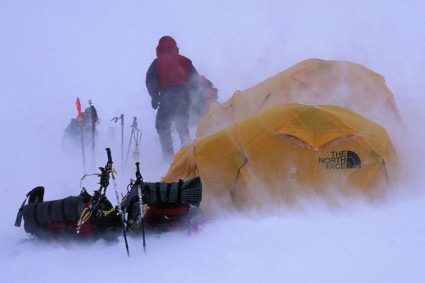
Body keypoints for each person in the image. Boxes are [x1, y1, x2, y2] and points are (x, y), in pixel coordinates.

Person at [146, 36, 199, 162]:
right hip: (184, 96)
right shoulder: (185, 61)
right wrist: (192, 96)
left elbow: (151, 81)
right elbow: (195, 81)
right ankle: (187, 157)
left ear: (159, 47)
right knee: (182, 125)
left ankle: (169, 160)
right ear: (175, 46)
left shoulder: (157, 62)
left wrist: (155, 97)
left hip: (167, 96)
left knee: (162, 126)